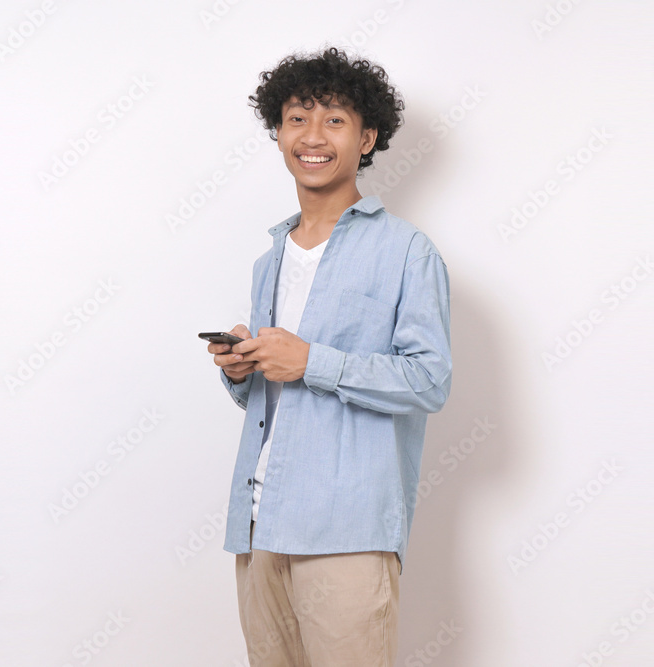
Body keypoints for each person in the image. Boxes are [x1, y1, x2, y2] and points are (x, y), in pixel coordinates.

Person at [206, 46, 453, 666]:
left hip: (346, 528)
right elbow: (273, 394)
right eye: (297, 118)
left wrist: (313, 360)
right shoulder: (269, 259)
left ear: (368, 137)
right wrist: (243, 370)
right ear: (279, 132)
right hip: (260, 525)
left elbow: (430, 380)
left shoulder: (407, 251)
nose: (312, 137)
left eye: (334, 120)